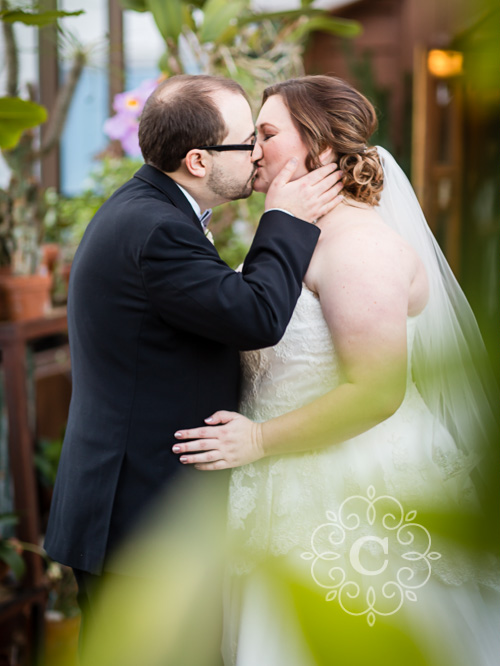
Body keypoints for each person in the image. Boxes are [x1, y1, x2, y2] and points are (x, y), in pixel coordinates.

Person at [170, 75, 498, 665]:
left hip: (352, 492)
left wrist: (258, 439)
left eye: (267, 134)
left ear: (319, 147)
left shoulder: (356, 246)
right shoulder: (298, 237)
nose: (252, 149)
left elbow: (375, 392)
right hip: (283, 485)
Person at [44, 74, 342, 654]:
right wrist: (284, 218)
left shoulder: (148, 209)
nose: (257, 153)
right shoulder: (157, 230)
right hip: (139, 528)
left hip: (134, 515)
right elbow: (255, 316)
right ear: (199, 160)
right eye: (246, 141)